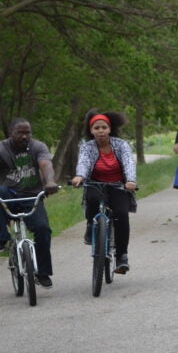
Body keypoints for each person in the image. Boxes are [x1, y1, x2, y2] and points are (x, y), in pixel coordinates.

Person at [71, 109, 137, 274]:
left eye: (104, 127)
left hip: (118, 185)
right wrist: (80, 176)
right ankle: (90, 225)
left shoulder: (121, 144)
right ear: (91, 130)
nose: (100, 131)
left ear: (109, 129)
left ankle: (122, 256)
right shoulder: (87, 147)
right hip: (95, 184)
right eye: (96, 128)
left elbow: (129, 162)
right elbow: (84, 163)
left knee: (121, 214)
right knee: (92, 200)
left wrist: (130, 180)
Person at [0, 118, 59, 288]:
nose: (24, 136)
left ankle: (43, 272)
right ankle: (2, 238)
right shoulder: (2, 148)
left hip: (32, 196)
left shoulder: (37, 146)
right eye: (20, 132)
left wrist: (49, 182)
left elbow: (45, 164)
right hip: (8, 194)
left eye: (27, 132)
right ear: (11, 132)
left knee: (43, 229)